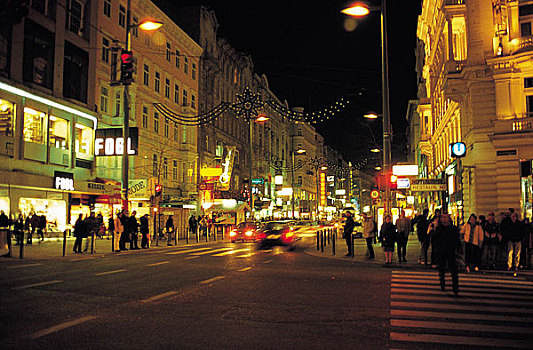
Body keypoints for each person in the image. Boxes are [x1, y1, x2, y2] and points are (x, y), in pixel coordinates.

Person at [433, 213, 460, 295]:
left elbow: (457, 240)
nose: (444, 219)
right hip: (442, 252)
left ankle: (455, 287)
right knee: (442, 269)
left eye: (446, 217)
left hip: (451, 251)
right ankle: (442, 283)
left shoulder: (454, 229)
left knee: (454, 270)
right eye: (443, 217)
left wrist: (458, 250)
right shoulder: (439, 229)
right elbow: (435, 241)